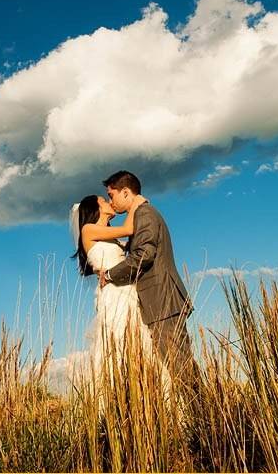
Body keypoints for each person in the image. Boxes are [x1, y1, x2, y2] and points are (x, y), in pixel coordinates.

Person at [96, 170, 198, 399]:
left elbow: (144, 255)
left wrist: (110, 275)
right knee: (177, 365)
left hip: (162, 301)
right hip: (160, 302)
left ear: (125, 192)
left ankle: (207, 422)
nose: (111, 201)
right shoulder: (142, 213)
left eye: (111, 195)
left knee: (180, 366)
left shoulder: (145, 214)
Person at [70, 192, 152, 379]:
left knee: (137, 339)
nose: (108, 203)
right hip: (114, 294)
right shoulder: (89, 229)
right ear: (96, 208)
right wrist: (136, 203)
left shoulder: (110, 236)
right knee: (118, 340)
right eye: (104, 201)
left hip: (128, 291)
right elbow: (129, 228)